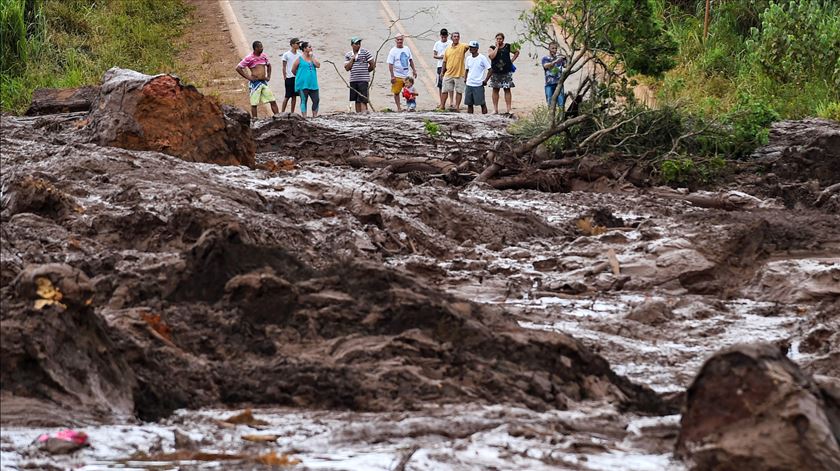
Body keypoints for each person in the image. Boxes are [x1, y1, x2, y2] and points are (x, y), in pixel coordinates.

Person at [235, 40, 279, 118]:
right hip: (255, 84)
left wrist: (268, 76)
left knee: (272, 100)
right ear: (256, 48)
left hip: (263, 82)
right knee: (254, 103)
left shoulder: (264, 56)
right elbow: (238, 68)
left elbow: (269, 65)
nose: (262, 48)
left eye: (262, 46)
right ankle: (255, 120)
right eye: (260, 47)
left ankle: (278, 117)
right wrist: (248, 77)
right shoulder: (249, 58)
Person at [487, 32, 520, 114]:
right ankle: (495, 109)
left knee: (507, 89)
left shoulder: (508, 46)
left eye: (500, 39)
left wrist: (511, 61)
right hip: (496, 72)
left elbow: (517, 52)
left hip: (506, 71)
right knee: (495, 89)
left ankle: (509, 109)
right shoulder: (492, 47)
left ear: (503, 39)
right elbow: (491, 56)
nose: (499, 40)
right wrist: (497, 48)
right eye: (497, 39)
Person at [440, 31, 470, 112]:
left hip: (459, 74)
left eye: (457, 36)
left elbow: (470, 46)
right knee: (445, 90)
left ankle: (457, 107)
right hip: (448, 73)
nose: (456, 38)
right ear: (451, 38)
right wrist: (442, 72)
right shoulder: (448, 49)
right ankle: (442, 106)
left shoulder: (462, 46)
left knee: (459, 91)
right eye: (454, 36)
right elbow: (444, 61)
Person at [344, 36, 375, 113]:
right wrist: (352, 59)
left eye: (359, 43)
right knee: (356, 100)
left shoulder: (365, 52)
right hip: (353, 80)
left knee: (363, 99)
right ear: (352, 45)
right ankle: (358, 115)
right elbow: (347, 68)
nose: (358, 45)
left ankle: (364, 113)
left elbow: (372, 65)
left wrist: (366, 71)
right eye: (356, 44)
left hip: (363, 80)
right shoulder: (348, 55)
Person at [386, 35, 417, 112]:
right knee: (396, 92)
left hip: (407, 75)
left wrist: (414, 70)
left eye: (401, 39)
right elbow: (390, 64)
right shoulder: (393, 51)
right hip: (397, 75)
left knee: (410, 91)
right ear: (395, 40)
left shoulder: (407, 49)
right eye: (398, 40)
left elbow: (410, 60)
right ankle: (399, 107)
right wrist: (392, 76)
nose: (400, 41)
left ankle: (410, 106)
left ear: (403, 40)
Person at [292, 41, 320, 118]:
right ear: (304, 49)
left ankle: (315, 116)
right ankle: (304, 117)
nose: (311, 48)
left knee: (316, 100)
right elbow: (293, 70)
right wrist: (299, 76)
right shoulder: (299, 59)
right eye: (309, 47)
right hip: (302, 84)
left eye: (311, 47)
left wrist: (312, 57)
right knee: (304, 100)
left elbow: (318, 65)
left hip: (313, 84)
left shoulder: (312, 58)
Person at [464, 41, 491, 114]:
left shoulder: (482, 58)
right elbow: (466, 70)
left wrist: (485, 80)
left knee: (482, 103)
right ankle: (470, 118)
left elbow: (490, 69)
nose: (471, 49)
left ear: (477, 48)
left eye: (473, 47)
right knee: (469, 104)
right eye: (470, 47)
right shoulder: (468, 58)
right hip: (469, 84)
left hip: (478, 84)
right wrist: (465, 79)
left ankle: (485, 117)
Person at [542, 42, 566, 110]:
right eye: (552, 48)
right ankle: (551, 119)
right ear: (549, 48)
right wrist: (555, 61)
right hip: (549, 84)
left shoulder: (560, 58)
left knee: (561, 104)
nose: (554, 50)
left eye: (555, 48)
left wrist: (566, 58)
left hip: (559, 83)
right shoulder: (545, 58)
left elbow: (566, 66)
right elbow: (545, 66)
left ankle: (561, 117)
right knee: (550, 103)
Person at [281, 38, 302, 113]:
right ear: (292, 45)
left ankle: (292, 112)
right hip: (289, 77)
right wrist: (284, 77)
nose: (298, 45)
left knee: (294, 96)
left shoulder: (300, 55)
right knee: (287, 96)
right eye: (297, 43)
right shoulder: (286, 54)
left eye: (299, 43)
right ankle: (282, 112)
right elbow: (284, 66)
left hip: (296, 77)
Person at [432, 28, 451, 109]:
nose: (444, 38)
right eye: (442, 37)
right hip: (440, 65)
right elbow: (434, 55)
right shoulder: (437, 44)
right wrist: (440, 57)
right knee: (440, 85)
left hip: (449, 65)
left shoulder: (450, 43)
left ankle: (451, 102)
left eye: (445, 37)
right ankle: (441, 102)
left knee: (450, 84)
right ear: (440, 36)